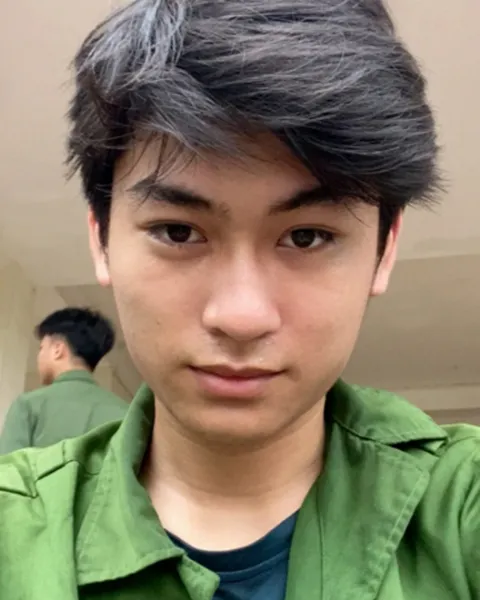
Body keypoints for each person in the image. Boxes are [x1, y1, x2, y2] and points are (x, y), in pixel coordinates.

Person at [0, 1, 477, 598]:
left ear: (385, 250)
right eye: (178, 232)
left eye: (307, 237)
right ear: (101, 238)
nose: (241, 316)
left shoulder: (460, 507)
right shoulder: (15, 528)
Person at [0, 308, 127, 453]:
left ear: (57, 350)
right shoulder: (126, 413)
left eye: (41, 348)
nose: (39, 356)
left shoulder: (28, 405)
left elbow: (7, 465)